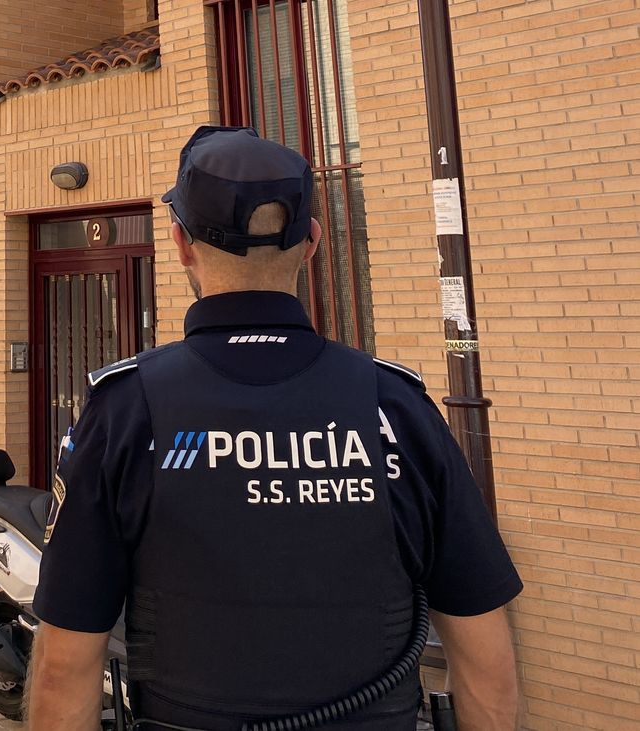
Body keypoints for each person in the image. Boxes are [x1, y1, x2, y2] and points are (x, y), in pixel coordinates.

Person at [26, 126, 522, 731]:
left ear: (180, 243)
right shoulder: (397, 407)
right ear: (312, 241)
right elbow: (485, 660)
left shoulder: (125, 410)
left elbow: (65, 666)